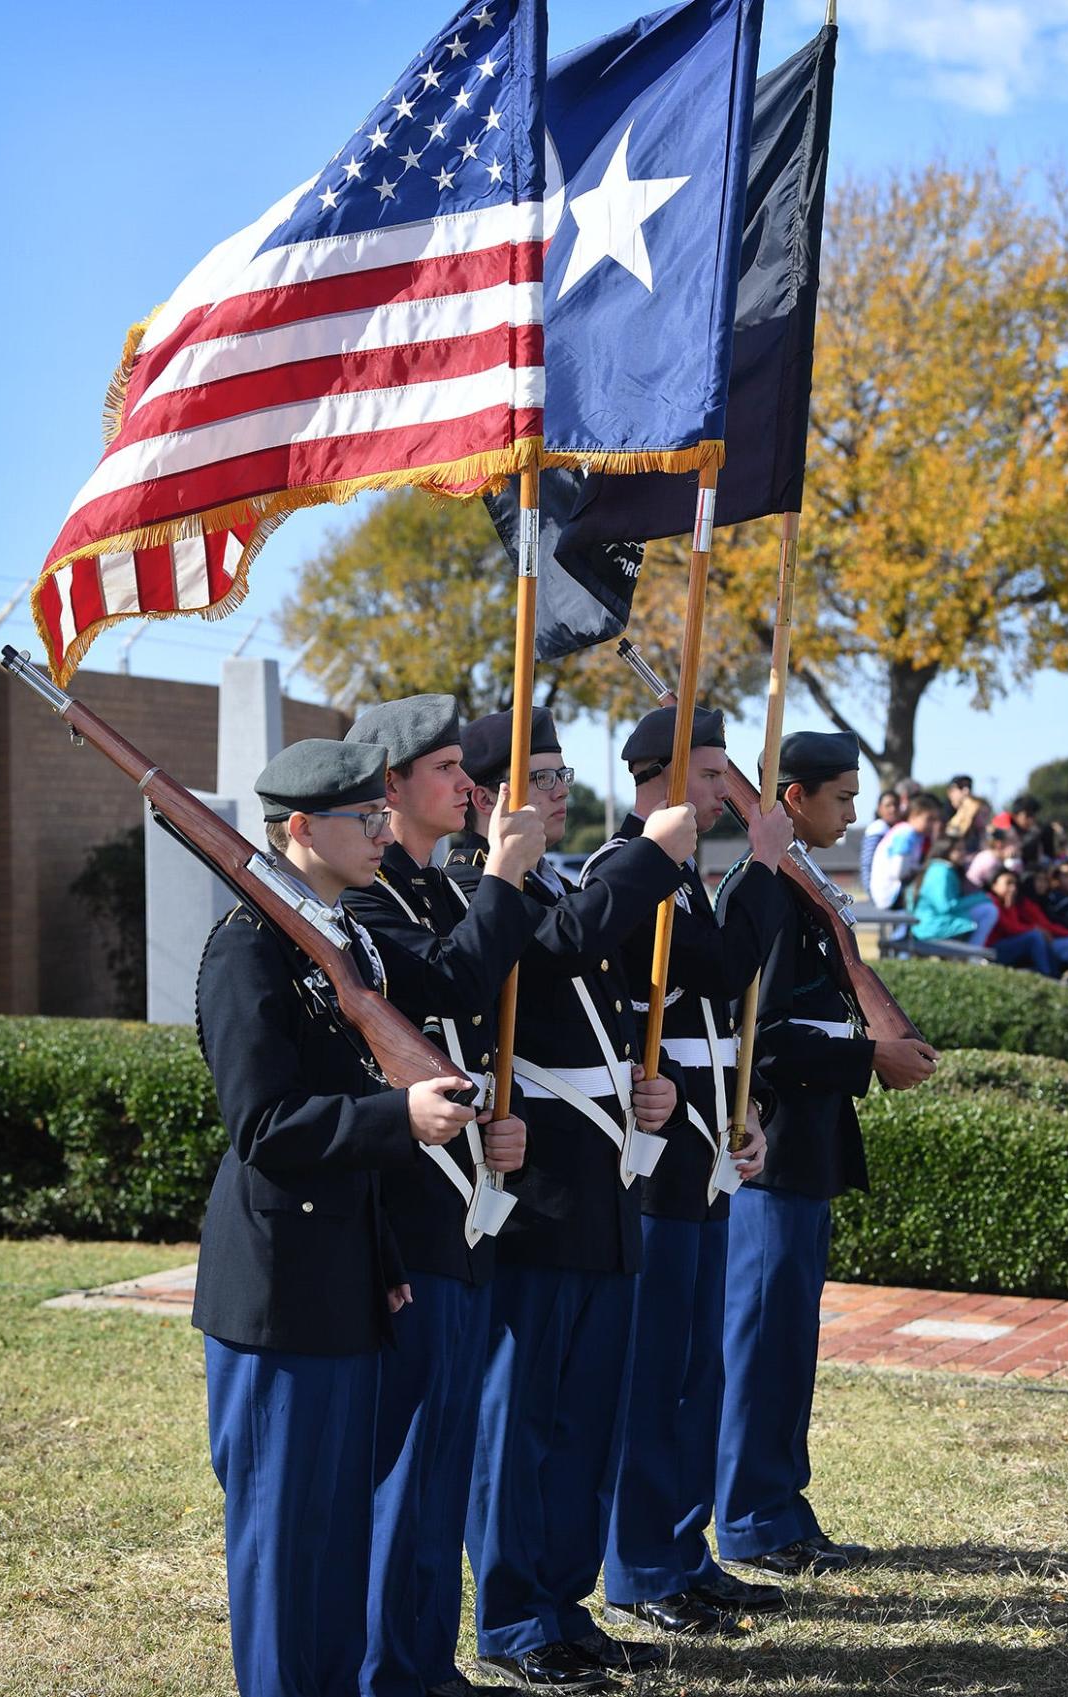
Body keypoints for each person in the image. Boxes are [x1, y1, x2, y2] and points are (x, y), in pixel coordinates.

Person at [192, 739, 478, 1697]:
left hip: (344, 1274)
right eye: (364, 819)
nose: (381, 831)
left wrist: (382, 1250)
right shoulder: (246, 947)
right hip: (277, 1288)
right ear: (300, 829)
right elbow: (265, 1125)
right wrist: (402, 1115)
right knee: (285, 1542)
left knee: (337, 1539)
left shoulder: (338, 940)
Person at [449, 707, 696, 1691]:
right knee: (524, 1417)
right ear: (480, 795)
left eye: (558, 770)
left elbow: (622, 998)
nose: (557, 787)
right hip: (538, 1180)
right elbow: (548, 952)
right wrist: (647, 858)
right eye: (537, 774)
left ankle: (563, 1597)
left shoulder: (555, 876)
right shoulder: (482, 888)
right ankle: (512, 1616)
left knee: (589, 1410)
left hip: (604, 1180)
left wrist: (660, 1081)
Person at [338, 694, 548, 1697]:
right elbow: (453, 990)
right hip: (410, 1212)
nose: (470, 784)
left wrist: (498, 1122)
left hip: (466, 1196)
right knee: (411, 1457)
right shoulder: (372, 898)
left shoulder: (433, 891)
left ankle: (425, 1660)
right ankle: (390, 1666)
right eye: (446, 767)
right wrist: (503, 874)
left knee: (446, 1450)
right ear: (388, 786)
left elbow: (473, 1036)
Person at [581, 704, 791, 1636]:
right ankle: (638, 1564)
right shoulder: (622, 873)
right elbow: (715, 966)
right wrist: (767, 866)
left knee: (696, 1371)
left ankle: (682, 1546)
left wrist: (738, 1118)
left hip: (702, 1146)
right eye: (709, 775)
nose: (720, 792)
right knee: (654, 1370)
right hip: (652, 1159)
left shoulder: (688, 879)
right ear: (659, 774)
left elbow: (719, 997)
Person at [714, 731, 939, 1578]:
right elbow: (757, 1044)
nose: (853, 811)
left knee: (788, 1348)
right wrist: (864, 1057)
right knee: (760, 1343)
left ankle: (779, 1507)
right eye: (841, 796)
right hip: (768, 1156)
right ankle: (747, 1517)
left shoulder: (802, 892)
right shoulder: (765, 894)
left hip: (807, 1153)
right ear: (793, 799)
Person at [909, 838, 998, 947]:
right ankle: (972, 955)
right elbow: (945, 906)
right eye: (958, 850)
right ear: (945, 850)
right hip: (930, 927)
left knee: (986, 909)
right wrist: (981, 898)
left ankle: (972, 954)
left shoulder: (942, 868)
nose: (963, 853)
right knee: (988, 910)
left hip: (932, 923)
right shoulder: (941, 871)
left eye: (963, 849)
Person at [986, 869, 1068, 976]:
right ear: (994, 885)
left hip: (1004, 946)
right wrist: (1034, 929)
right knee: (1034, 936)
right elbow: (1010, 928)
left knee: (1038, 937)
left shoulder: (1009, 901)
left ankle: (1055, 974)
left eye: (1014, 884)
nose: (1013, 888)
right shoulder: (990, 901)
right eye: (1008, 883)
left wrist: (1009, 907)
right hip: (991, 950)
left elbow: (1014, 925)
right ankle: (1046, 974)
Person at [867, 792, 942, 909]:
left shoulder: (917, 835)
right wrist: (920, 870)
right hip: (891, 893)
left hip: (896, 890)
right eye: (929, 819)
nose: (932, 825)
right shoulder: (906, 834)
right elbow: (899, 872)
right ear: (914, 816)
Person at [858, 790, 899, 897]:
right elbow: (867, 863)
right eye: (888, 805)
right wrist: (870, 891)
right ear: (880, 809)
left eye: (896, 805)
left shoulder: (894, 829)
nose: (893, 809)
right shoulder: (878, 829)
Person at [965, 826, 1014, 891]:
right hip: (974, 892)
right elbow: (994, 887)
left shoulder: (989, 855)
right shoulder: (990, 860)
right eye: (1006, 841)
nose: (1011, 845)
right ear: (998, 844)